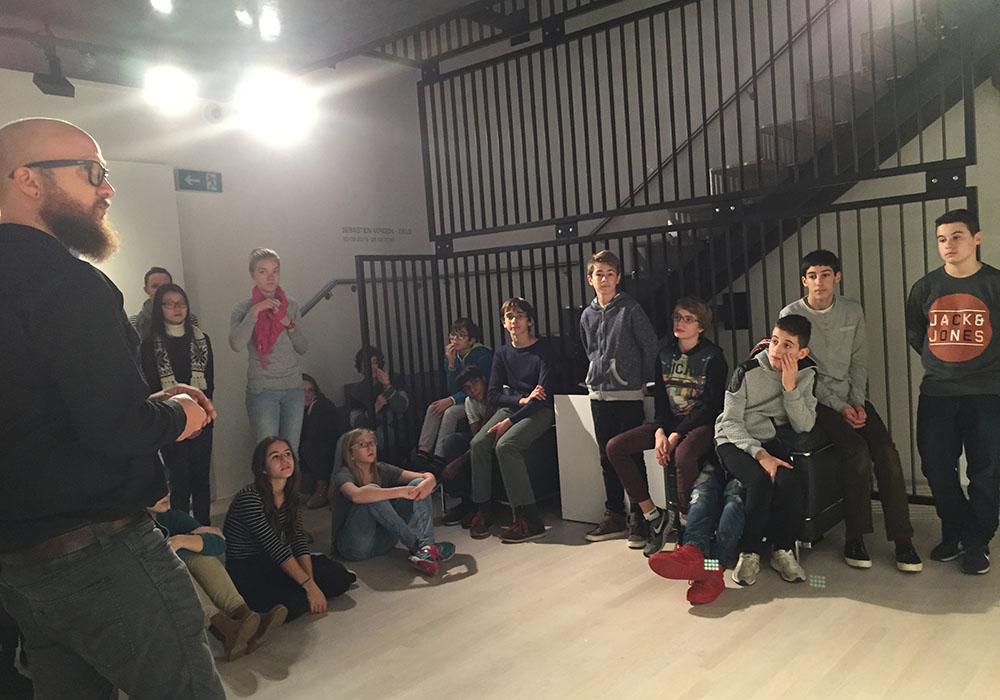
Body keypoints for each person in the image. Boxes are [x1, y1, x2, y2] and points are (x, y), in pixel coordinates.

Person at [0, 117, 224, 698]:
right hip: (100, 554)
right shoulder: (68, 282)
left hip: (19, 566)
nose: (108, 188)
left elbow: (38, 412)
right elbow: (116, 428)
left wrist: (143, 403)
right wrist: (180, 416)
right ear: (27, 179)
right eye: (92, 172)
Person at [781, 250, 921, 572]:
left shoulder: (852, 310)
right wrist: (841, 406)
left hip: (852, 396)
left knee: (886, 453)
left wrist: (857, 402)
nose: (819, 282)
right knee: (856, 452)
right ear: (804, 281)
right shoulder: (792, 314)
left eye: (826, 275)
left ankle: (903, 540)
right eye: (812, 276)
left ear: (837, 278)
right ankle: (854, 537)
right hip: (817, 400)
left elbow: (860, 360)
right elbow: (802, 371)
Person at [906, 208, 1000, 576]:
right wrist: (945, 363)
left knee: (986, 471)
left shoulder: (994, 284)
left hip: (987, 393)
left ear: (977, 238)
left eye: (957, 236)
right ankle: (957, 531)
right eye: (942, 239)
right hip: (937, 392)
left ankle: (977, 541)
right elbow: (917, 334)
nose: (948, 245)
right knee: (935, 466)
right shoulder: (925, 288)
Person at [606, 298, 728, 556]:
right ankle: (653, 516)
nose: (680, 323)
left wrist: (675, 435)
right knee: (615, 447)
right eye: (677, 317)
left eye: (688, 319)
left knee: (683, 455)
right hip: (670, 423)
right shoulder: (664, 355)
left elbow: (709, 406)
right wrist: (661, 431)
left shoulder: (714, 356)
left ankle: (687, 526)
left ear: (701, 326)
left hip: (701, 424)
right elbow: (661, 401)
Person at [715, 315, 817, 586]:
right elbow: (730, 421)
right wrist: (761, 456)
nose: (776, 350)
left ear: (802, 352)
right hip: (733, 439)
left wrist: (789, 387)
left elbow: (804, 425)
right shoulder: (746, 371)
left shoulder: (806, 374)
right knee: (759, 482)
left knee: (791, 482)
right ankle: (749, 553)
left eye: (787, 345)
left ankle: (782, 551)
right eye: (774, 341)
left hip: (767, 439)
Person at [224, 437, 356, 622]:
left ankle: (302, 585)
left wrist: (310, 582)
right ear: (263, 468)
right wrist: (309, 587)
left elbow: (298, 538)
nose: (284, 460)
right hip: (249, 565)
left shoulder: (290, 495)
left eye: (287, 454)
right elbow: (274, 547)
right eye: (275, 457)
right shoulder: (250, 498)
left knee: (338, 577)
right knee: (294, 603)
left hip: (276, 561)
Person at [578, 250, 659, 544]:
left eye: (610, 274)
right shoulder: (586, 315)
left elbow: (649, 345)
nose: (604, 279)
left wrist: (644, 381)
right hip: (598, 395)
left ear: (618, 278)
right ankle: (614, 514)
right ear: (590, 279)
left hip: (628, 394)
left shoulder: (631, 309)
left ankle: (640, 517)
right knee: (605, 457)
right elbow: (589, 348)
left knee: (631, 456)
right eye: (599, 274)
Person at [147, 494, 284, 662]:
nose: (166, 493)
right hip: (155, 591)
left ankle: (243, 614)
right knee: (176, 565)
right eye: (155, 489)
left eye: (166, 486)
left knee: (200, 555)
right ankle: (225, 628)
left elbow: (218, 542)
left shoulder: (170, 516)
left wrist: (181, 540)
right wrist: (186, 545)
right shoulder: (134, 533)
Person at [468, 298, 557, 543]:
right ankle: (484, 510)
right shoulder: (502, 353)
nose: (514, 321)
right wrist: (520, 400)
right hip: (515, 406)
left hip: (540, 410)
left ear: (530, 321)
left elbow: (542, 396)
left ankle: (530, 519)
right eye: (509, 316)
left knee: (505, 446)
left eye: (519, 316)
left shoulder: (544, 349)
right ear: (503, 323)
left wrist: (511, 420)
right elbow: (493, 394)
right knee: (478, 443)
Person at [333, 428, 456, 576]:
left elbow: (422, 477)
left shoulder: (381, 469)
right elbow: (356, 496)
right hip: (354, 546)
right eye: (362, 445)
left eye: (372, 443)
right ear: (351, 453)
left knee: (417, 484)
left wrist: (430, 479)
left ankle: (427, 546)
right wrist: (400, 491)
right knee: (371, 492)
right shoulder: (343, 475)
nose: (370, 448)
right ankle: (418, 547)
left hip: (384, 541)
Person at [141, 283, 215, 524]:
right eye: (169, 304)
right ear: (159, 308)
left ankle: (204, 528)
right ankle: (184, 529)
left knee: (201, 478)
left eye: (181, 303)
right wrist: (180, 418)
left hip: (202, 420)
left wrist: (199, 419)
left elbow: (209, 384)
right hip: (169, 422)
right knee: (179, 479)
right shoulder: (149, 345)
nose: (177, 308)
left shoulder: (202, 340)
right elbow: (152, 387)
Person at [230, 248, 308, 457]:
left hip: (293, 388)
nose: (271, 277)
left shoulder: (291, 305)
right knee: (267, 453)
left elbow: (302, 347)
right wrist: (255, 311)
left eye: (275, 270)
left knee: (292, 453)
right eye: (263, 271)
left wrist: (288, 324)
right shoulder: (243, 308)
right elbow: (236, 344)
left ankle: (292, 482)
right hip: (262, 390)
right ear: (253, 275)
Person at [647, 462, 745, 605]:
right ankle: (693, 552)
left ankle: (714, 569)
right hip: (715, 458)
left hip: (747, 461)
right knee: (703, 490)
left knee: (734, 502)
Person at [415, 318, 493, 470]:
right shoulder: (452, 356)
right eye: (453, 335)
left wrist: (451, 400)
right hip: (462, 398)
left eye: (461, 335)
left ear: (472, 340)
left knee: (450, 412)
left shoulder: (482, 354)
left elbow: (482, 386)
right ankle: (422, 452)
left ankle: (439, 456)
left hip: (479, 399)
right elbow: (452, 389)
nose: (455, 339)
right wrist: (451, 364)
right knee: (433, 408)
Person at [439, 366, 496, 527]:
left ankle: (482, 506)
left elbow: (484, 439)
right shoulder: (470, 402)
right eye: (467, 388)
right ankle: (467, 501)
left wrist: (457, 463)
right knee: (452, 442)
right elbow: (476, 435)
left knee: (472, 450)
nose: (473, 389)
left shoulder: (496, 394)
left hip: (498, 436)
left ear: (483, 380)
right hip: (482, 438)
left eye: (475, 383)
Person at [346, 345, 410, 462]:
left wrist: (387, 386)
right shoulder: (357, 390)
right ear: (361, 368)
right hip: (366, 430)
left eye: (375, 362)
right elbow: (356, 422)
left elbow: (402, 407)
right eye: (367, 363)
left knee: (370, 440)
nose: (372, 367)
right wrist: (376, 407)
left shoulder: (394, 379)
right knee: (344, 441)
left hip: (394, 428)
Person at [300, 373, 342, 509]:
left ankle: (322, 487)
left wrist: (311, 416)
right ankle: (306, 488)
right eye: (303, 391)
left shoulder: (323, 405)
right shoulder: (298, 411)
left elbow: (315, 436)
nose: (307, 394)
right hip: (316, 453)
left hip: (332, 450)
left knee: (309, 446)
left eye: (310, 390)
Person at [131, 266, 199, 341]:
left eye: (165, 286)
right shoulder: (134, 322)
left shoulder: (189, 318)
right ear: (146, 290)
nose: (161, 290)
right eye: (155, 286)